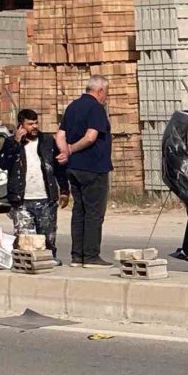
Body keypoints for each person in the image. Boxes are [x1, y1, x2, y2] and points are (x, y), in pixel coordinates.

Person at [0, 109, 70, 266]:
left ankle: (49, 262)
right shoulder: (11, 142)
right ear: (21, 126)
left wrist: (64, 190)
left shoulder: (47, 141)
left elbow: (58, 167)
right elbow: (3, 163)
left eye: (36, 123)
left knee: (47, 239)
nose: (34, 126)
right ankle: (27, 268)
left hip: (46, 199)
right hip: (21, 200)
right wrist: (16, 142)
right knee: (25, 241)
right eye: (30, 124)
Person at [56, 75, 113, 268]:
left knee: (79, 211)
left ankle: (76, 256)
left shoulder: (72, 106)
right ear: (100, 91)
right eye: (106, 93)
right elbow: (91, 137)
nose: (106, 97)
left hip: (73, 168)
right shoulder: (96, 108)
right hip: (93, 167)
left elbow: (60, 134)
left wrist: (65, 151)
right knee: (94, 213)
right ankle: (90, 256)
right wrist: (71, 149)